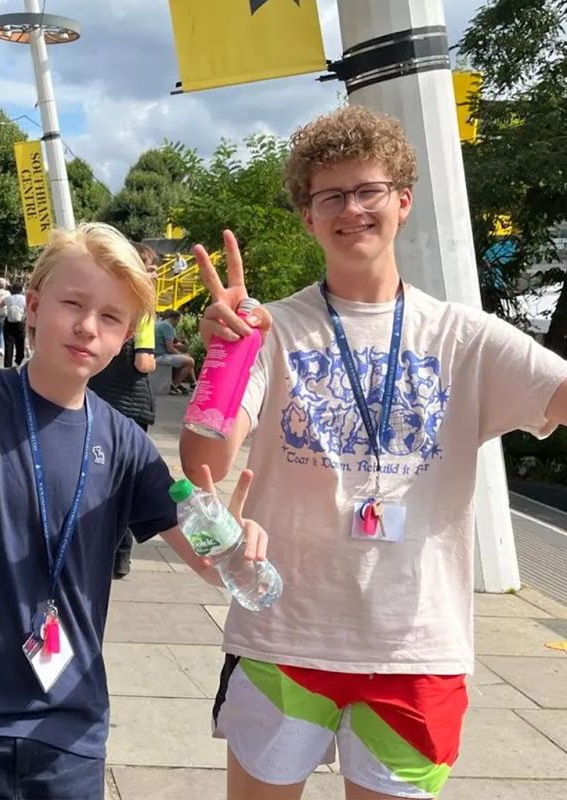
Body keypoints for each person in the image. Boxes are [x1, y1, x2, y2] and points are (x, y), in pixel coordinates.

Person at [180, 105, 567, 800]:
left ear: (403, 201)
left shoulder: (465, 340)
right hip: (282, 636)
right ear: (307, 216)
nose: (352, 209)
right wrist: (226, 359)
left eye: (369, 191)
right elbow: (203, 462)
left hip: (413, 646)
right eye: (330, 195)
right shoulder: (273, 330)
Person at [0, 222, 267, 798]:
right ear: (34, 307)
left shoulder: (124, 444)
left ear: (125, 339)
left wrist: (237, 543)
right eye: (73, 304)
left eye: (112, 318)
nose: (89, 327)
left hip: (68, 727)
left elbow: (214, 565)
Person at [87, 241, 158, 579]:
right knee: (125, 483)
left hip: (100, 398)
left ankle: (99, 549)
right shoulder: (143, 311)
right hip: (129, 403)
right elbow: (144, 362)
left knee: (96, 480)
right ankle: (119, 556)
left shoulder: (104, 301)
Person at [154, 309, 195, 394]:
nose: (178, 323)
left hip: (156, 353)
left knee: (184, 357)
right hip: (159, 356)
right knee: (190, 361)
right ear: (175, 319)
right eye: (178, 321)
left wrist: (180, 350)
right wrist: (180, 353)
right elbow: (169, 348)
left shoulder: (159, 323)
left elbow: (168, 343)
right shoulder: (167, 326)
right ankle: (174, 385)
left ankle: (193, 383)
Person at [1, 281, 28, 368]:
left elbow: (1, 305)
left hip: (9, 322)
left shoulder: (9, 298)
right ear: (21, 289)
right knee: (20, 342)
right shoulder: (24, 299)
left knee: (8, 344)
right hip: (20, 322)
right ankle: (18, 360)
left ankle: (7, 364)